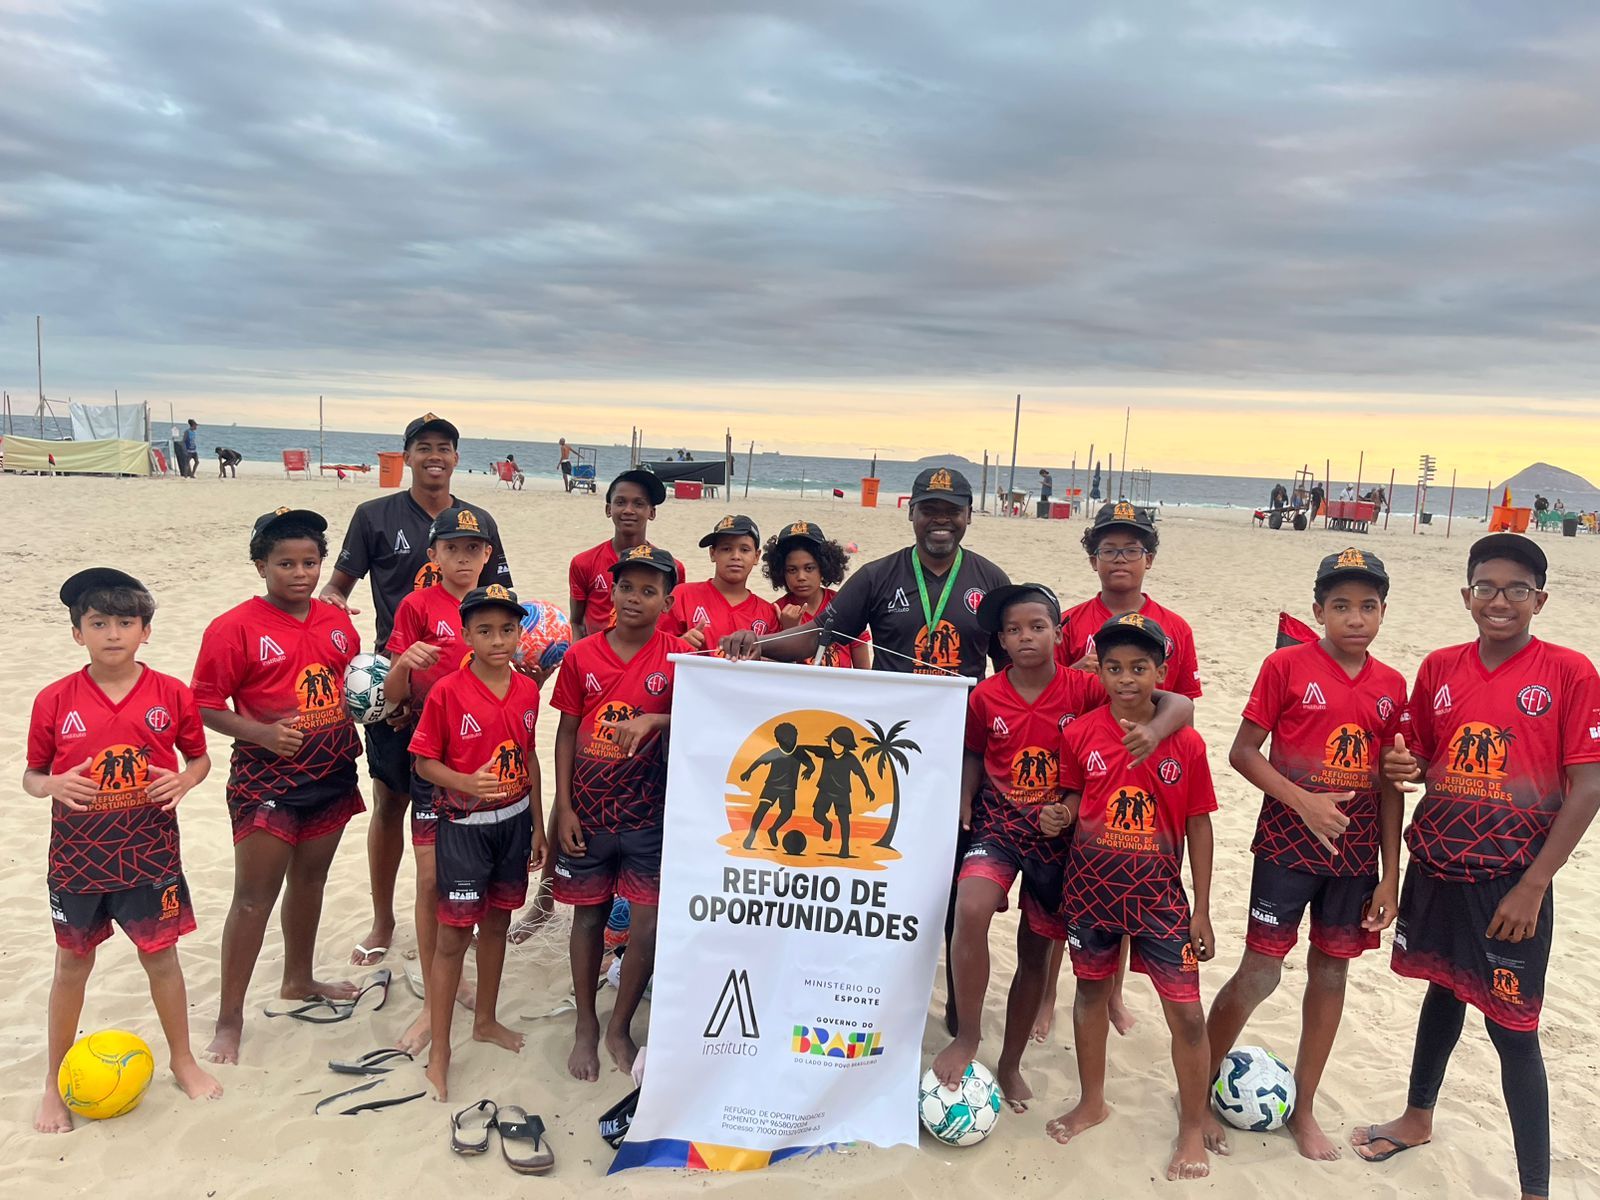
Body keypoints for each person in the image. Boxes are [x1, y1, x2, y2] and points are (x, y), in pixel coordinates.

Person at [718, 466, 1010, 1035]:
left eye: (952, 510)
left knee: (957, 889)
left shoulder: (990, 580)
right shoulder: (879, 576)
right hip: (894, 755)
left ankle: (958, 1008)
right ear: (912, 514)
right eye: (930, 509)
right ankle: (873, 995)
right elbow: (822, 634)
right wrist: (762, 644)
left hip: (963, 758)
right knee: (889, 882)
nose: (941, 521)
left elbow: (1010, 670)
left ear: (969, 516)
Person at [1353, 534, 1600, 1200]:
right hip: (1438, 864)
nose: (1500, 601)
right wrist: (1403, 764)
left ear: (1540, 600)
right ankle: (1417, 1117)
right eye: (1486, 587)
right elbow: (1419, 759)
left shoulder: (1570, 672)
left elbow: (1589, 786)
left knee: (1513, 1028)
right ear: (1467, 595)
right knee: (1443, 988)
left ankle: (1535, 1190)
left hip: (1511, 878)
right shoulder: (1440, 667)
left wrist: (1535, 885)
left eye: (1517, 589)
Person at [933, 585, 1195, 1112]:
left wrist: (1152, 731)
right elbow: (974, 753)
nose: (1025, 637)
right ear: (1000, 640)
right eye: (1013, 630)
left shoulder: (1087, 689)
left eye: (1037, 626)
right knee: (970, 908)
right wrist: (963, 797)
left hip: (1060, 837)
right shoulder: (985, 697)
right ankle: (967, 1036)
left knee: (1036, 950)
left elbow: (1179, 703)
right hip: (999, 824)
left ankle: (1010, 1063)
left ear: (1059, 633)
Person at [1202, 548, 1407, 1160]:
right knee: (1260, 973)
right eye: (1341, 606)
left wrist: (1390, 875)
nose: (1355, 618)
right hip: (1286, 846)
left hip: (1354, 856)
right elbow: (1242, 752)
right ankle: (1198, 1086)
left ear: (1383, 612)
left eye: (1367, 606)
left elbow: (1390, 784)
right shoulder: (1285, 666)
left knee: (1332, 973)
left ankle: (1306, 1106)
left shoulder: (1392, 685)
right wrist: (1304, 802)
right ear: (1319, 611)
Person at [27, 568, 221, 1131]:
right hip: (77, 858)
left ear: (145, 631)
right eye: (98, 623)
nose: (113, 634)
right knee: (72, 964)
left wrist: (185, 780)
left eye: (125, 622)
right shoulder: (54, 699)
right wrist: (53, 784)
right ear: (77, 633)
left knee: (161, 958)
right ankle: (52, 1082)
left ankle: (182, 1061)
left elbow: (199, 758)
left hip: (149, 852)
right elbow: (31, 776)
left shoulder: (171, 693)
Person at [320, 413, 512, 968]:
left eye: (444, 447)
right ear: (406, 456)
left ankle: (452, 914)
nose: (435, 456)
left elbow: (503, 602)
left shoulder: (478, 522)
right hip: (395, 688)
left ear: (456, 458)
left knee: (456, 808)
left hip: (464, 691)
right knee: (391, 802)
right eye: (423, 447)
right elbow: (337, 588)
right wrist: (332, 616)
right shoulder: (373, 515)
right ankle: (383, 918)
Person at [191, 508, 367, 1064]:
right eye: (285, 563)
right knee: (252, 899)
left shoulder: (336, 620)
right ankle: (229, 1020)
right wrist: (262, 733)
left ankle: (299, 979)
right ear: (260, 565)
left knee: (310, 882)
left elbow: (354, 684)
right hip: (266, 779)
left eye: (310, 562)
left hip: (332, 769)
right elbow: (203, 704)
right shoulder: (234, 627)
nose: (299, 573)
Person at [1046, 614, 1217, 1182]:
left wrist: (1203, 908)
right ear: (1098, 672)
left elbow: (1199, 823)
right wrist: (1060, 813)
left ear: (1160, 674)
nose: (1126, 679)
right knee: (1090, 993)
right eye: (1114, 667)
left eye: (1139, 668)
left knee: (1187, 1014)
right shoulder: (1079, 734)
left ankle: (1190, 1127)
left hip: (1161, 899)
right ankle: (1092, 1101)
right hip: (1090, 890)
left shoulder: (1185, 743)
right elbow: (1075, 796)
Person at [1041, 499, 1202, 1037]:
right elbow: (1049, 687)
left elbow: (1185, 703)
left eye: (1131, 550)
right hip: (1078, 765)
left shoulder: (1174, 627)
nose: (1120, 559)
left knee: (1129, 876)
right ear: (1093, 558)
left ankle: (1112, 995)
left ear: (1148, 558)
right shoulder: (1070, 621)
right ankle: (1048, 996)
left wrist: (1155, 738)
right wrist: (1077, 670)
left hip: (1144, 767)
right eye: (1108, 549)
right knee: (1064, 896)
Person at [550, 544, 688, 1080]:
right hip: (588, 812)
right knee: (589, 916)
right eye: (626, 587)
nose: (634, 598)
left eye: (649, 591)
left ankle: (619, 1026)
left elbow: (707, 714)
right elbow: (565, 732)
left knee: (647, 923)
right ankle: (586, 1023)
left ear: (667, 602)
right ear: (611, 591)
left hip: (649, 813)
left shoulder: (679, 657)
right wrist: (564, 807)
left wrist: (655, 721)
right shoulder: (581, 655)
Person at [409, 584, 545, 1101]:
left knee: (498, 924)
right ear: (466, 635)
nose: (498, 640)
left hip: (513, 824)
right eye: (485, 631)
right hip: (464, 829)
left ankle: (485, 1020)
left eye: (507, 629)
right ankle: (441, 1051)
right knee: (452, 938)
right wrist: (465, 782)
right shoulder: (448, 692)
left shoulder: (527, 689)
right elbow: (424, 763)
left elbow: (528, 756)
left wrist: (538, 824)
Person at [381, 506, 496, 1053]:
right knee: (429, 880)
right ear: (434, 555)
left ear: (487, 555)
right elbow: (391, 698)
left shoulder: (496, 606)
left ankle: (459, 979)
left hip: (486, 764)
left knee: (469, 879)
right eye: (452, 548)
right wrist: (404, 662)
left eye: (473, 548)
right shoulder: (417, 605)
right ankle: (433, 1002)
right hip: (432, 762)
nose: (463, 558)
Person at [568, 470, 686, 639]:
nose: (628, 510)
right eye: (620, 502)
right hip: (596, 652)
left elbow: (670, 624)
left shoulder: (671, 568)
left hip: (649, 653)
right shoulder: (584, 562)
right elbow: (576, 622)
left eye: (639, 503)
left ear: (652, 512)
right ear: (608, 509)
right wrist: (577, 651)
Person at [659, 514, 780, 652]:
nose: (736, 556)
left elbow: (775, 660)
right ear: (712, 553)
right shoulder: (682, 596)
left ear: (756, 556)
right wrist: (679, 644)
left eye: (744, 550)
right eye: (726, 549)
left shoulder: (767, 612)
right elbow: (653, 648)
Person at [763, 520, 869, 668]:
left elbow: (864, 670)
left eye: (809, 568)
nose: (801, 577)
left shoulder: (843, 606)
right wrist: (789, 631)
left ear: (824, 567)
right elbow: (776, 673)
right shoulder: (775, 612)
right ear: (781, 572)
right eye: (792, 570)